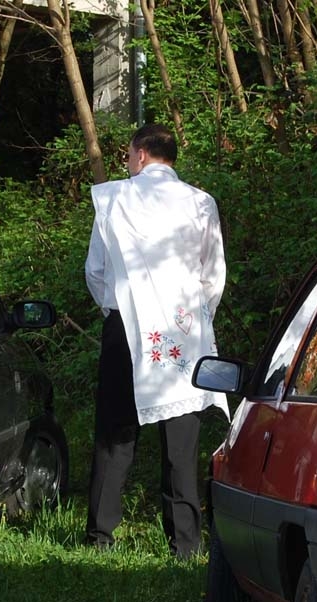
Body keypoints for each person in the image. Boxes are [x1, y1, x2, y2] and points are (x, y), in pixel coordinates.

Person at [83, 123, 229, 559]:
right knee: (182, 442)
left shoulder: (114, 198)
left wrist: (114, 308)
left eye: (128, 155)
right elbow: (213, 274)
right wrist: (195, 317)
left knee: (115, 432)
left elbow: (96, 270)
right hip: (186, 329)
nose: (126, 163)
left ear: (141, 154)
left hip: (126, 324)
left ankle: (101, 537)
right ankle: (185, 544)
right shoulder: (202, 203)